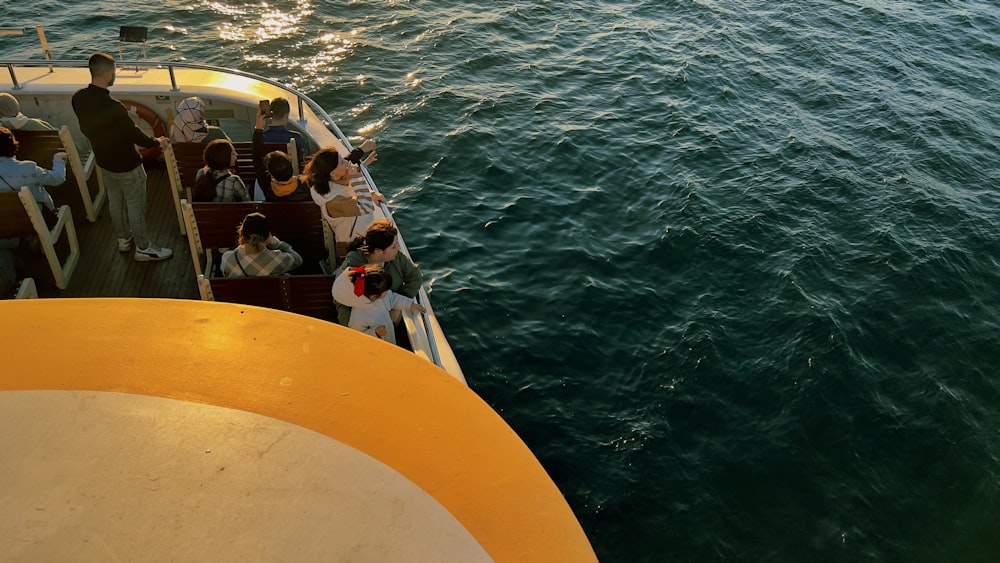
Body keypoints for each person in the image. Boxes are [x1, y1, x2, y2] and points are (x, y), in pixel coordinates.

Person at [71, 52, 172, 261]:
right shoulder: (113, 106)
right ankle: (143, 248)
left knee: (115, 202)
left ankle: (123, 240)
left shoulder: (78, 98)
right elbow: (133, 134)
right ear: (108, 73)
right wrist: (157, 143)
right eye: (114, 71)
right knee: (136, 206)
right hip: (127, 165)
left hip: (105, 162)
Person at [335, 219, 422, 326]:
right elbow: (341, 300)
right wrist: (351, 327)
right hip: (362, 322)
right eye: (394, 247)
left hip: (390, 313)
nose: (398, 248)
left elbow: (415, 276)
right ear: (378, 252)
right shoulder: (354, 264)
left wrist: (399, 304)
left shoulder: (397, 257)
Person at [331, 263, 425, 345]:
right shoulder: (359, 314)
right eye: (385, 290)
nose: (388, 292)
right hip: (378, 347)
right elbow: (358, 335)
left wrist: (410, 305)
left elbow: (393, 299)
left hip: (389, 339)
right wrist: (375, 333)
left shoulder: (382, 297)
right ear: (373, 296)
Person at [306, 146, 383, 245]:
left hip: (364, 235)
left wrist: (372, 193)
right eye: (342, 162)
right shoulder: (332, 202)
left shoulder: (335, 181)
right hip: (354, 245)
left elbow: (351, 187)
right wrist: (355, 177)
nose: (346, 162)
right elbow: (366, 206)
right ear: (333, 173)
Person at [251, 105, 310, 201]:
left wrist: (259, 127)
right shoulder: (305, 184)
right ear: (291, 168)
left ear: (270, 173)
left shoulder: (265, 182)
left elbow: (256, 156)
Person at [0, 126, 65, 212]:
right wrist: (59, 159)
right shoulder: (28, 168)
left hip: (6, 223)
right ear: (12, 144)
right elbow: (58, 179)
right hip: (39, 220)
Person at [220, 212, 303, 277]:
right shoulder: (276, 258)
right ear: (267, 236)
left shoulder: (227, 258)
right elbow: (298, 260)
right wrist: (275, 243)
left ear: (241, 233)